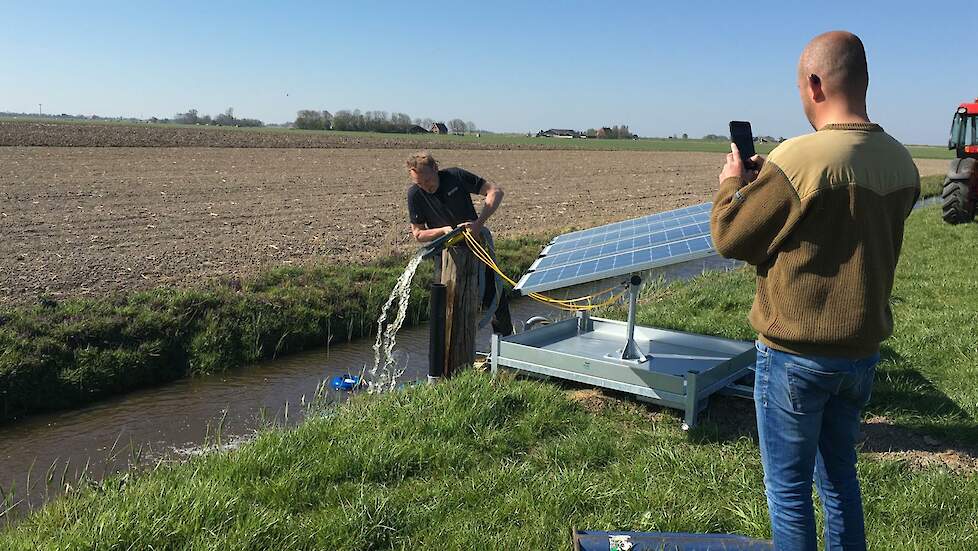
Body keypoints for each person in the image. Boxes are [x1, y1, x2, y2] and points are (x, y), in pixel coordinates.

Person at [710, 31, 920, 550]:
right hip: (861, 355)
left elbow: (730, 237)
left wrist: (733, 183)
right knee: (841, 483)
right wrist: (774, 185)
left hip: (795, 357)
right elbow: (838, 222)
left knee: (788, 492)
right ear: (865, 82)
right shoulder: (901, 162)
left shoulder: (798, 158)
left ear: (815, 84)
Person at [405, 151, 514, 336]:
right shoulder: (415, 195)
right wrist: (444, 231)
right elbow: (418, 233)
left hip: (477, 249)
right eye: (419, 183)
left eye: (427, 180)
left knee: (496, 300)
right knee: (449, 306)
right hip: (447, 258)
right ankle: (452, 357)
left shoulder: (455, 177)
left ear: (435, 169)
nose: (426, 187)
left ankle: (504, 349)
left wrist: (478, 224)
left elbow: (495, 191)